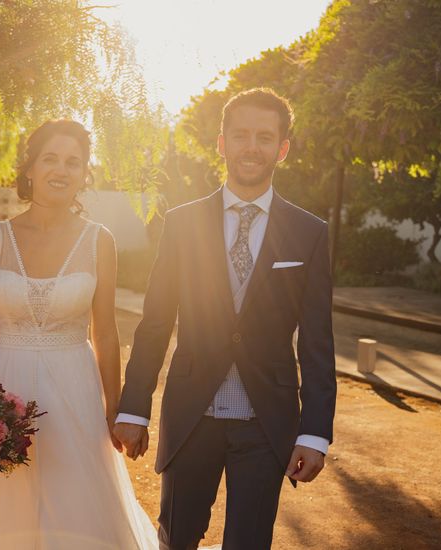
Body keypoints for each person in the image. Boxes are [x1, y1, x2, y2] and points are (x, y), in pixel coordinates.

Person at [113, 87, 337, 550]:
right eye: (240, 135)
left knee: (249, 543)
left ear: (282, 147)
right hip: (192, 414)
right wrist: (134, 406)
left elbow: (317, 340)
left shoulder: (309, 232)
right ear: (222, 143)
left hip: (266, 421)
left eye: (263, 136)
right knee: (177, 538)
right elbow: (155, 323)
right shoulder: (181, 223)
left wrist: (314, 432)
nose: (250, 146)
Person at [0, 119, 158, 549]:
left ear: (84, 174)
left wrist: (113, 409)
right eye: (50, 158)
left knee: (83, 504)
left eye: (74, 162)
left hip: (76, 389)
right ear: (29, 169)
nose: (61, 169)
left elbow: (105, 333)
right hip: (9, 392)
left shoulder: (98, 241)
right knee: (21, 507)